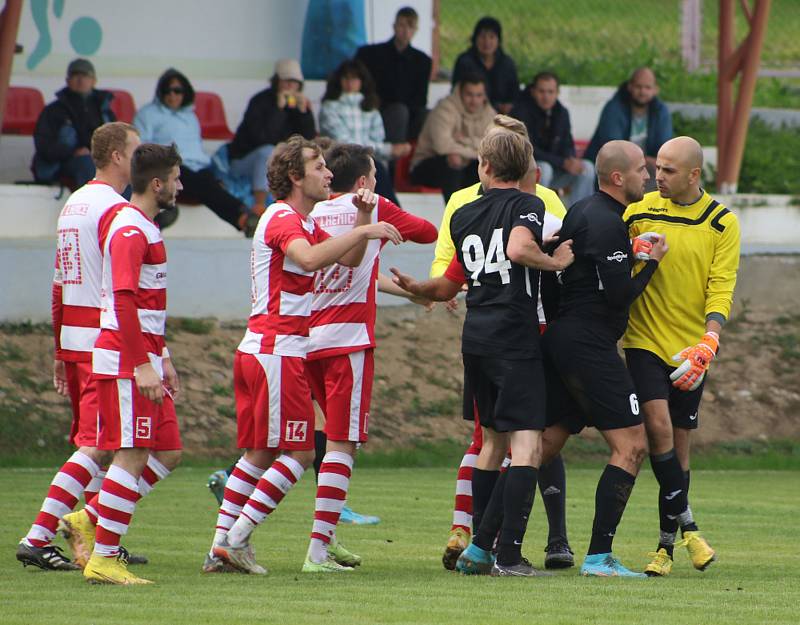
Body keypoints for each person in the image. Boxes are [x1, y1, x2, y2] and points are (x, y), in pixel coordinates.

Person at [206, 136, 402, 575]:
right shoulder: (281, 218)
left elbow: (349, 262)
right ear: (295, 177)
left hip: (266, 349)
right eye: (318, 167)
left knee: (258, 453)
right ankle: (235, 539)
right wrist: (366, 229)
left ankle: (219, 546)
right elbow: (311, 260)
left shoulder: (300, 220)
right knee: (301, 454)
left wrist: (364, 216)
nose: (328, 173)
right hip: (277, 350)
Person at [392, 117, 575, 577]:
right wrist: (553, 261)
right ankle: (508, 555)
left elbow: (449, 284)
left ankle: (478, 549)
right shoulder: (528, 205)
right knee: (528, 446)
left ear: (486, 166)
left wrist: (420, 287)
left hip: (476, 340)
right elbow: (517, 250)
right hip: (516, 339)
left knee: (490, 445)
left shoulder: (465, 213)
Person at [302, 143, 437, 572]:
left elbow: (353, 270)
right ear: (363, 182)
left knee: (316, 443)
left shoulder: (310, 213)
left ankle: (326, 539)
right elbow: (428, 232)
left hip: (306, 342)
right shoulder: (373, 207)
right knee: (343, 442)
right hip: (348, 341)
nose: (377, 183)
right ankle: (317, 552)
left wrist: (410, 294)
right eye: (375, 176)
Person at [538, 140, 668, 578]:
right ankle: (599, 558)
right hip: (588, 344)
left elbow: (570, 276)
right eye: (640, 170)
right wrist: (649, 262)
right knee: (632, 444)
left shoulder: (580, 211)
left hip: (562, 338)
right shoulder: (611, 223)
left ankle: (485, 546)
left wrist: (628, 256)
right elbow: (618, 294)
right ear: (618, 178)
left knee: (540, 445)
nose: (647, 178)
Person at [16, 122, 139, 572]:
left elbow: (58, 285)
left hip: (75, 337)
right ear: (117, 157)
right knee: (98, 445)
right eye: (135, 150)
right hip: (99, 339)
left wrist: (57, 348)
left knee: (101, 441)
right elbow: (122, 284)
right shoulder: (113, 208)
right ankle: (38, 536)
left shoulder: (73, 204)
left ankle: (96, 540)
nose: (139, 158)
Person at [623, 136, 739, 576]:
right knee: (658, 430)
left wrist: (710, 341)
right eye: (657, 167)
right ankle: (690, 528)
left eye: (669, 170)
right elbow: (609, 259)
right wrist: (629, 254)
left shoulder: (721, 222)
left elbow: (721, 285)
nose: (658, 176)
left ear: (694, 175)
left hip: (691, 350)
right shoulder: (637, 212)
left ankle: (665, 547)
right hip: (644, 341)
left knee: (680, 449)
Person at [78, 143, 185, 585]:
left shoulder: (142, 226)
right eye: (177, 179)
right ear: (157, 184)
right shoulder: (129, 230)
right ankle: (104, 558)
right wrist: (142, 364)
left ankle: (90, 519)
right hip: (125, 361)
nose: (181, 186)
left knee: (167, 449)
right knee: (132, 451)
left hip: (140, 356)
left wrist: (162, 357)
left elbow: (143, 304)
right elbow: (122, 298)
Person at [134, 68, 253, 233]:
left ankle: (244, 219)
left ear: (185, 93)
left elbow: (197, 149)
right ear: (160, 92)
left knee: (210, 182)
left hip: (197, 168)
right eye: (167, 91)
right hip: (166, 168)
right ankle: (243, 217)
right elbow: (141, 148)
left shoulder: (191, 117)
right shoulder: (148, 114)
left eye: (177, 91)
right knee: (203, 183)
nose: (172, 95)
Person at [228, 59, 317, 216]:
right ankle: (259, 205)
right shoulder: (260, 101)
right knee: (268, 151)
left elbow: (308, 141)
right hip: (245, 161)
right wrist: (279, 110)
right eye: (286, 81)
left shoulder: (299, 104)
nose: (290, 86)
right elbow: (263, 138)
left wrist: (304, 114)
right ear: (277, 81)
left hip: (280, 162)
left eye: (294, 82)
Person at [319, 59, 410, 205]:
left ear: (362, 81)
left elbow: (377, 140)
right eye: (346, 78)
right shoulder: (330, 107)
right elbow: (343, 142)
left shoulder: (371, 109)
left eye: (354, 78)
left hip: (367, 161)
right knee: (374, 167)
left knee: (376, 168)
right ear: (339, 81)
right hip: (340, 161)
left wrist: (381, 150)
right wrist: (390, 149)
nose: (350, 83)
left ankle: (391, 213)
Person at [511, 71, 595, 206]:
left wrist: (571, 159)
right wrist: (563, 162)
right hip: (526, 170)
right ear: (533, 92)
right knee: (544, 169)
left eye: (550, 92)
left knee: (587, 168)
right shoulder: (521, 112)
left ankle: (578, 218)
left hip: (557, 167)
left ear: (557, 93)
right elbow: (527, 148)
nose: (546, 96)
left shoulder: (562, 112)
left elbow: (567, 141)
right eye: (542, 91)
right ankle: (537, 213)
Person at [410, 75, 496, 202]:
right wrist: (477, 148)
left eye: (479, 95)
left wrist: (463, 141)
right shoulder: (444, 109)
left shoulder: (489, 113)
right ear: (459, 93)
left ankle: (483, 214)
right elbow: (442, 146)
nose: (474, 101)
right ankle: (455, 216)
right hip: (428, 165)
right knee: (453, 161)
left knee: (487, 167)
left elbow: (494, 147)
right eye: (469, 95)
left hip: (467, 164)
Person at [32, 58, 116, 188]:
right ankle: (92, 207)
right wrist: (72, 152)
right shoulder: (53, 110)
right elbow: (43, 144)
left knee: (125, 170)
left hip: (98, 161)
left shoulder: (104, 110)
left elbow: (117, 140)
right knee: (86, 164)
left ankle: (125, 208)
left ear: (94, 81)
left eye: (85, 75)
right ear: (67, 81)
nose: (80, 80)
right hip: (62, 163)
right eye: (75, 75)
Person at [355, 6, 432, 142]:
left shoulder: (422, 61)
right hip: (379, 109)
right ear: (394, 26)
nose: (405, 30)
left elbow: (421, 98)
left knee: (426, 114)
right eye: (402, 25)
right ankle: (394, 158)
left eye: (410, 26)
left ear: (415, 30)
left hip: (408, 115)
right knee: (399, 111)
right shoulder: (372, 54)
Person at [585, 67, 673, 185]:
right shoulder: (614, 108)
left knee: (664, 174)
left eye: (647, 87)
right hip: (614, 166)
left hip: (647, 166)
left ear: (655, 90)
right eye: (638, 87)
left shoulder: (661, 111)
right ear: (630, 87)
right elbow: (614, 148)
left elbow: (665, 148)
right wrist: (642, 161)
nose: (642, 91)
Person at [451, 17, 519, 114]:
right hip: (471, 112)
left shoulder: (507, 63)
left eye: (491, 37)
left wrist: (508, 105)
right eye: (482, 36)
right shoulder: (464, 62)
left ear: (498, 40)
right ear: (475, 39)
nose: (487, 42)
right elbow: (457, 92)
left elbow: (514, 95)